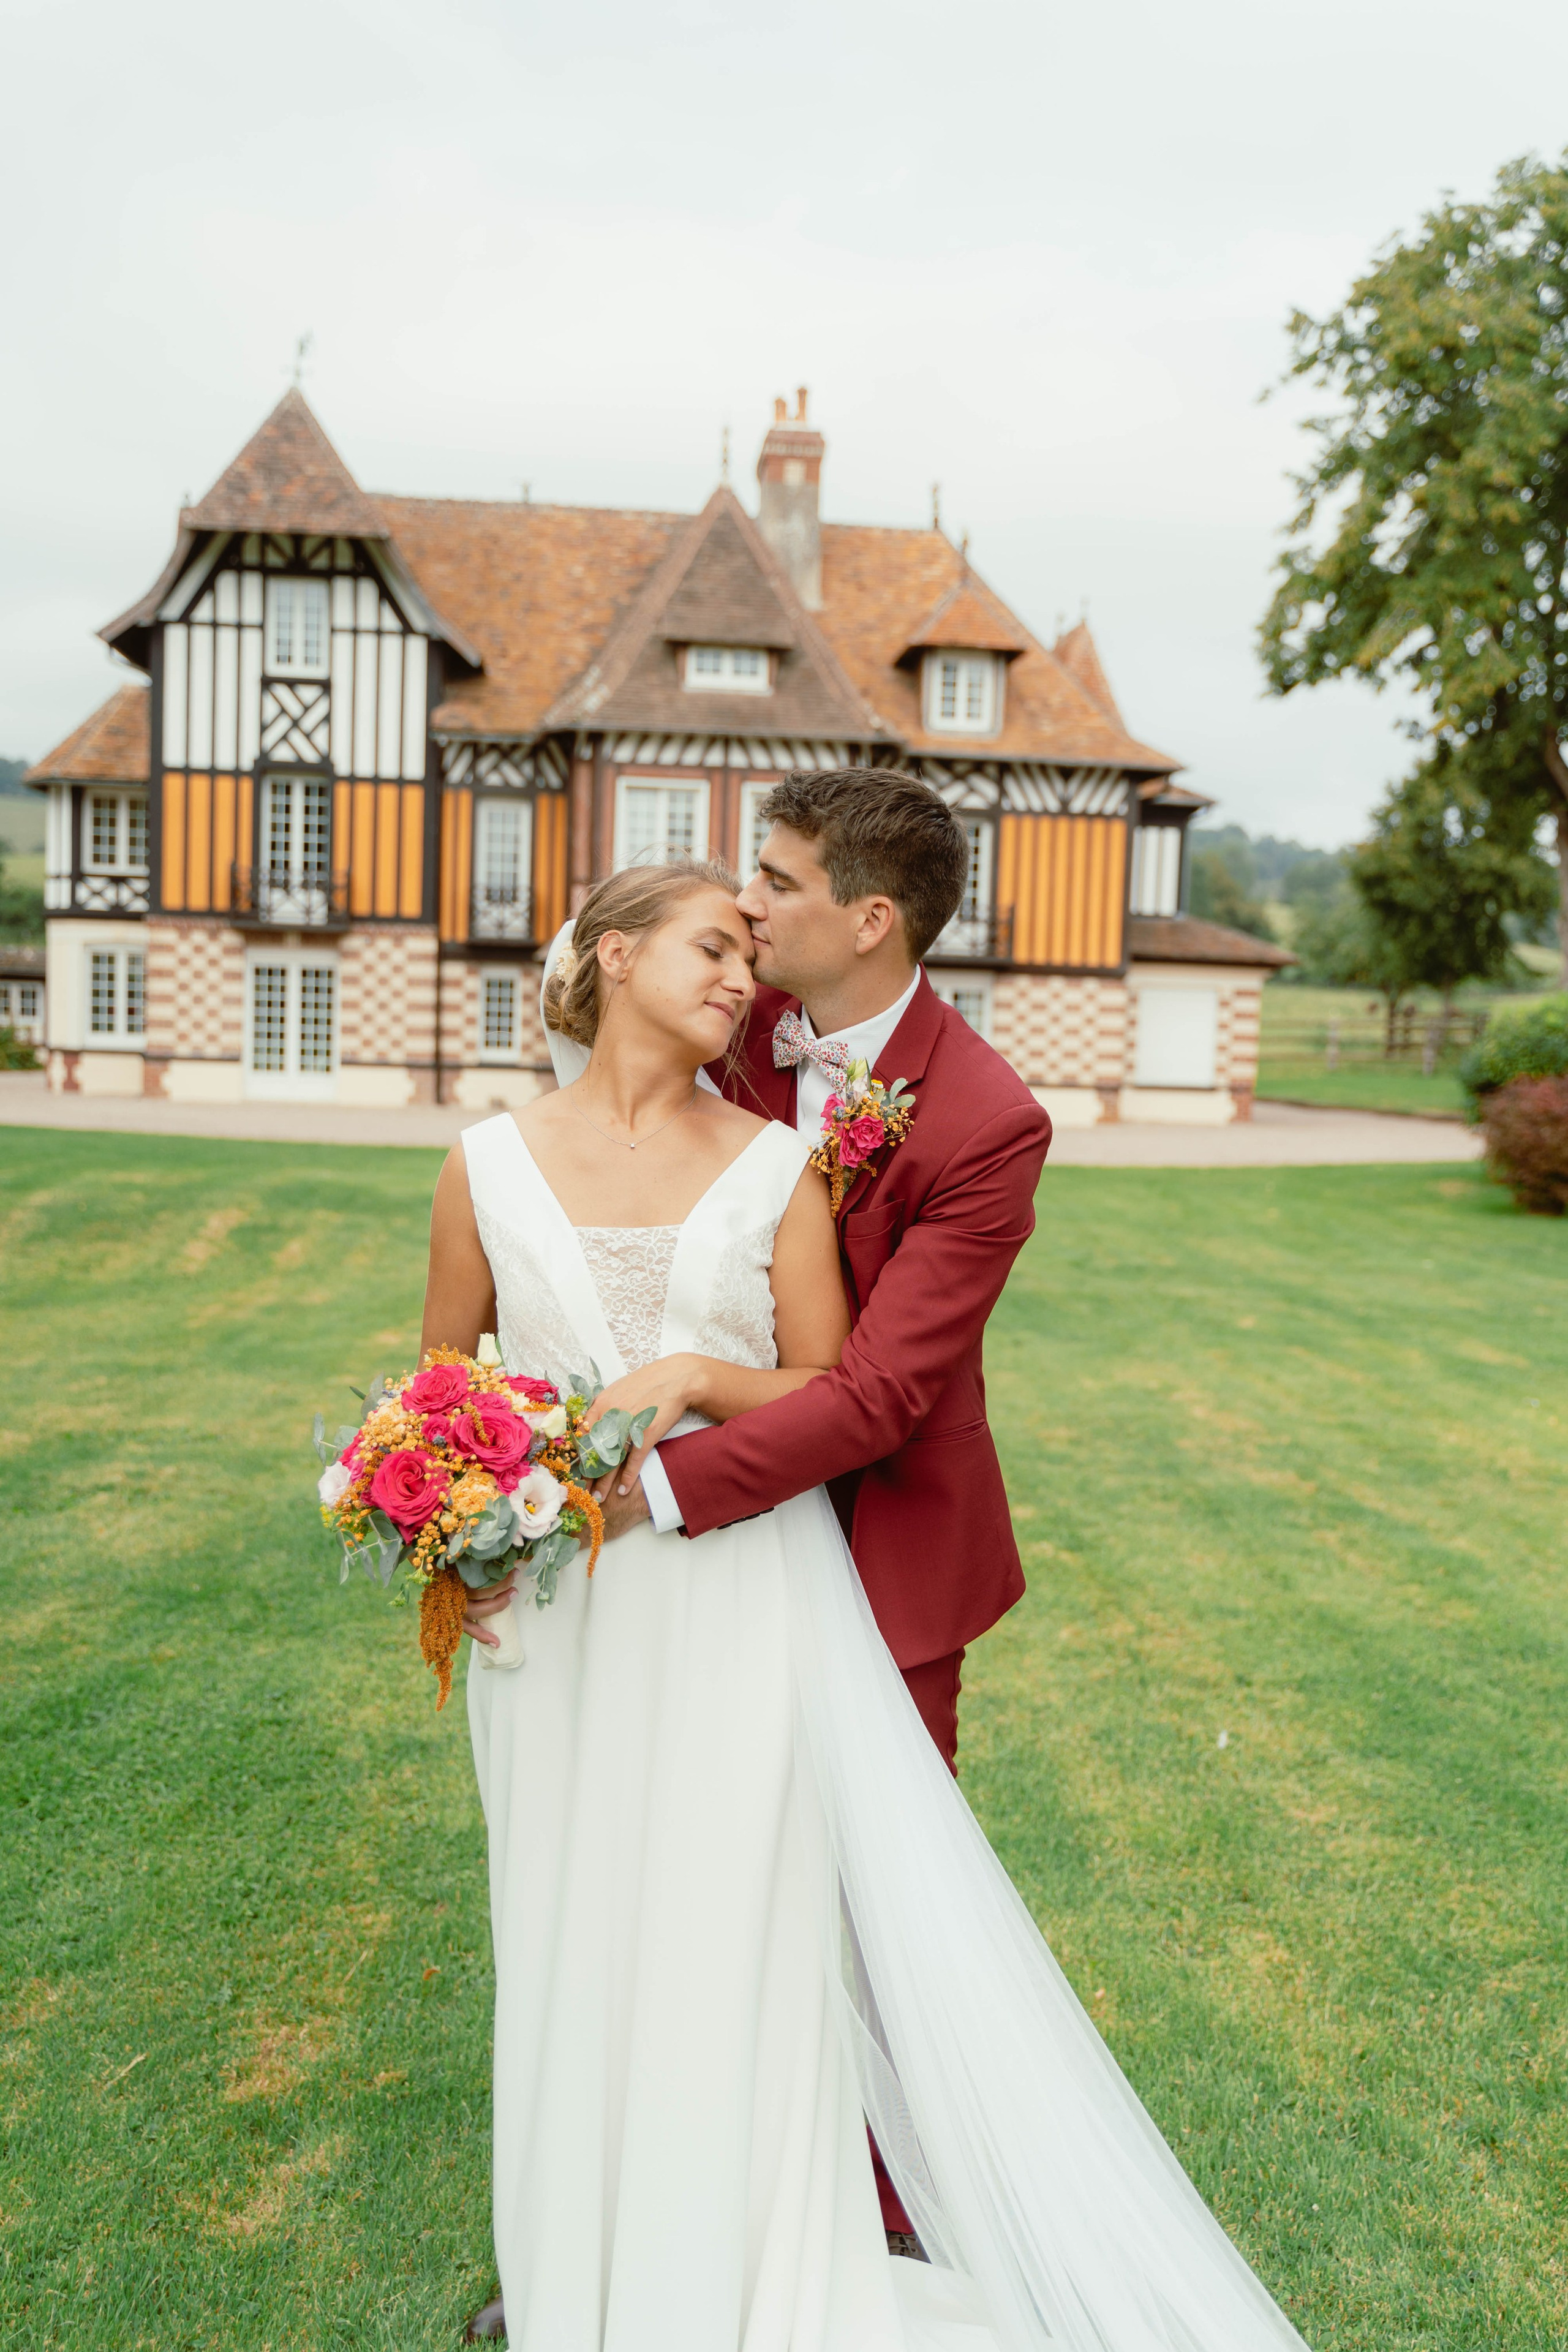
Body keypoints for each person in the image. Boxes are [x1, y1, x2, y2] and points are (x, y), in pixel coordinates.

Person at [421, 842, 1314, 2351]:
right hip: (559, 1613)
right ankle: (578, 2251)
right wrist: (455, 1536)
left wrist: (687, 1403)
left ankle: (778, 2248)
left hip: (761, 1573)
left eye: (765, 902)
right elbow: (446, 1388)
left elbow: (860, 1388)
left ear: (870, 912)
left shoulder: (856, 1136)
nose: (746, 948)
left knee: (764, 1925)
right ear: (615, 955)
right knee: (570, 1919)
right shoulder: (519, 1148)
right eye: (714, 931)